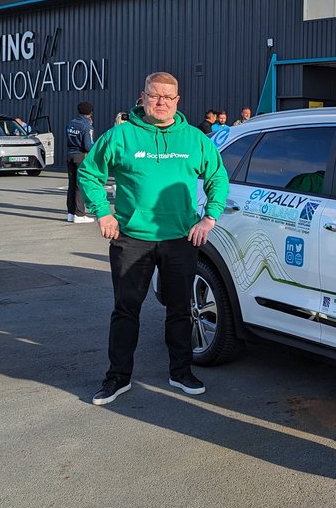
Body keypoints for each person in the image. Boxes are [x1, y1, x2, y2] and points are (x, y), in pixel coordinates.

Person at [79, 73, 229, 406]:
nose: (161, 103)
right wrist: (102, 212)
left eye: (168, 97)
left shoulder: (194, 139)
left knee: (180, 310)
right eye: (155, 96)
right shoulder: (121, 136)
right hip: (132, 238)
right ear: (142, 97)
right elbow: (89, 172)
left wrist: (210, 217)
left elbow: (218, 176)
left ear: (178, 101)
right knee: (125, 310)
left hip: (180, 238)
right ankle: (117, 377)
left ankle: (180, 371)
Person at [64, 101, 95, 223]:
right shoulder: (87, 126)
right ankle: (79, 214)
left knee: (71, 185)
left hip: (70, 154)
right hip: (81, 156)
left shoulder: (71, 123)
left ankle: (70, 213)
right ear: (90, 112)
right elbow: (88, 145)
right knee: (80, 185)